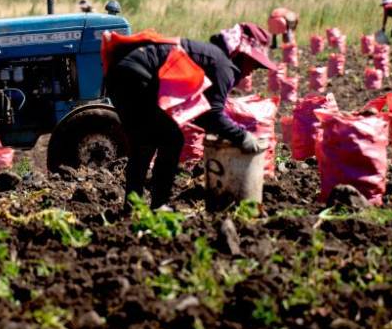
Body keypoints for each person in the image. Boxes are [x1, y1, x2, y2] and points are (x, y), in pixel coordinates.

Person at [105, 23, 276, 210]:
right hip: (134, 74)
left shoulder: (216, 59)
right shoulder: (222, 66)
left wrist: (225, 130)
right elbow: (211, 114)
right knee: (170, 138)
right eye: (255, 63)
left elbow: (203, 115)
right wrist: (242, 136)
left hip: (121, 72)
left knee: (145, 143)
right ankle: (157, 205)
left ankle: (134, 207)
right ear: (242, 54)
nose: (254, 70)